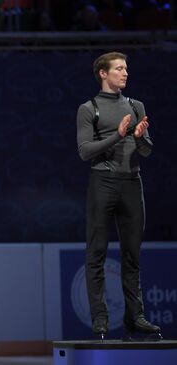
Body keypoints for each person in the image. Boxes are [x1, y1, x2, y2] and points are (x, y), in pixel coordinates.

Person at [76, 51, 161, 340]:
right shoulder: (89, 108)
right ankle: (100, 320)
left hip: (131, 184)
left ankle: (135, 317)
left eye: (126, 68)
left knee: (132, 255)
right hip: (103, 182)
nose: (125, 73)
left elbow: (147, 150)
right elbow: (85, 151)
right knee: (96, 253)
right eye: (119, 69)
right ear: (103, 73)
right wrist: (117, 134)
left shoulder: (136, 106)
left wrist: (137, 136)